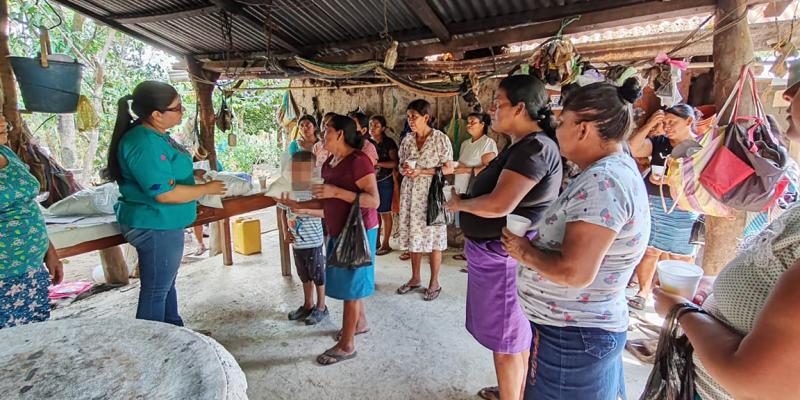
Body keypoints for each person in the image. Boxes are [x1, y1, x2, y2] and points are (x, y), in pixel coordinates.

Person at [651, 61, 800, 400]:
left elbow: (757, 381)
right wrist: (717, 291)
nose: (788, 92)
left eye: (799, 84)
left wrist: (682, 312)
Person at [501, 79, 649, 400]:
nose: (558, 129)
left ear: (583, 129)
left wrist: (523, 250)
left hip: (574, 337)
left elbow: (575, 273)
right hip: (576, 330)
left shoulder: (604, 183)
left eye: (563, 122)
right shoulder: (613, 167)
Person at [445, 75, 562, 400]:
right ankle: (515, 391)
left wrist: (460, 204)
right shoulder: (523, 146)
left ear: (521, 107)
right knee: (511, 340)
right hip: (496, 257)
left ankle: (512, 394)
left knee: (508, 342)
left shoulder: (535, 148)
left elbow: (501, 203)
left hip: (506, 259)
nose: (492, 110)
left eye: (498, 104)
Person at [105, 81, 226, 326]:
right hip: (155, 223)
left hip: (163, 222)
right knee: (155, 291)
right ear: (156, 114)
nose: (182, 111)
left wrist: (193, 175)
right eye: (177, 108)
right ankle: (151, 345)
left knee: (165, 284)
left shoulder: (155, 135)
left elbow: (165, 171)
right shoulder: (144, 142)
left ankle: (175, 330)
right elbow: (163, 193)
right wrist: (204, 190)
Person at [278, 114, 379, 365]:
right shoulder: (330, 163)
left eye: (327, 131)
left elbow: (373, 201)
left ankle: (347, 345)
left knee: (352, 287)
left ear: (340, 134)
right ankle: (360, 324)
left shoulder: (359, 162)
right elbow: (327, 201)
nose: (323, 135)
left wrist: (336, 192)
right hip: (337, 230)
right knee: (349, 283)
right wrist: (299, 205)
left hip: (358, 231)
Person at [626, 104, 701, 310]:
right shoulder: (660, 142)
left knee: (681, 254)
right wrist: (651, 123)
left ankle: (682, 298)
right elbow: (632, 148)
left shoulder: (697, 146)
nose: (667, 127)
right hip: (655, 201)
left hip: (683, 205)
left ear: (688, 121)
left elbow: (701, 180)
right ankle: (643, 292)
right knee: (650, 249)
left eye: (672, 123)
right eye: (665, 122)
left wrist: (669, 181)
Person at [0, 114, 64, 329]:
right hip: (4, 273)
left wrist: (49, 250)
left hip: (30, 267)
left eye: (1, 117)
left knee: (34, 334)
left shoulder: (6, 152)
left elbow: (29, 207)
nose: (3, 123)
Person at [395, 100, 454, 301]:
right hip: (411, 194)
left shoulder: (440, 139)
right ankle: (415, 278)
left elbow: (448, 168)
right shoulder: (407, 140)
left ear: (426, 117)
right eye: (408, 116)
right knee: (415, 237)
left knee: (434, 238)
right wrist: (406, 170)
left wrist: (423, 171)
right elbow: (401, 164)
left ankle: (434, 282)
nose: (410, 120)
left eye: (414, 116)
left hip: (431, 195)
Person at [281, 151, 328, 325]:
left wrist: (304, 210)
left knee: (318, 276)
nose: (300, 174)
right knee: (304, 275)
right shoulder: (288, 189)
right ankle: (308, 304)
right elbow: (282, 211)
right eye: (296, 170)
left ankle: (321, 307)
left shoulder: (316, 190)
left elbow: (326, 212)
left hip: (313, 242)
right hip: (297, 243)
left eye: (304, 170)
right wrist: (286, 231)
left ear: (312, 170)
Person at [368, 115, 399, 255]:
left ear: (383, 128)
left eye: (376, 125)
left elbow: (394, 163)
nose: (372, 128)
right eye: (371, 125)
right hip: (371, 181)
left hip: (385, 180)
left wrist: (377, 163)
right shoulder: (367, 142)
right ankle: (377, 242)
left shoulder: (389, 143)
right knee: (375, 212)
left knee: (385, 213)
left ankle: (386, 243)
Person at [453, 112, 498, 195]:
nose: (468, 125)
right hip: (460, 188)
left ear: (482, 124)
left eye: (472, 122)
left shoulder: (487, 143)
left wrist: (465, 170)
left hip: (475, 191)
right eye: (468, 123)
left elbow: (489, 169)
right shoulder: (465, 144)